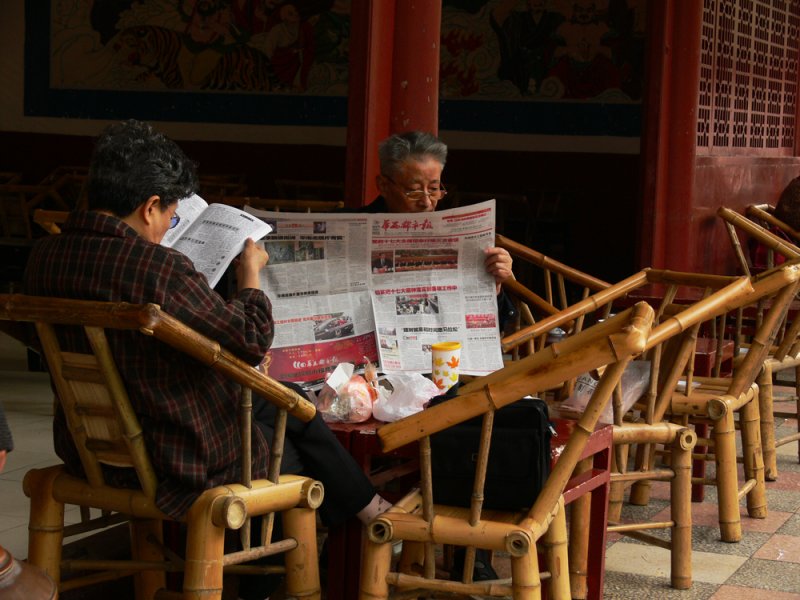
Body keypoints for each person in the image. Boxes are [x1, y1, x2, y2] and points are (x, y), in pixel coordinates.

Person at [23, 119, 388, 597]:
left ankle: (348, 518)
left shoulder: (43, 257)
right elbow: (251, 338)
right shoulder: (159, 267)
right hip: (175, 455)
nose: (167, 229)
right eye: (170, 218)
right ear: (150, 206)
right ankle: (322, 547)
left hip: (87, 446)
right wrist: (250, 275)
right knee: (291, 441)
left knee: (283, 410)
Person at [361, 131, 516, 330]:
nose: (426, 202)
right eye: (414, 190)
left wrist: (494, 285)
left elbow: (500, 323)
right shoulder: (352, 224)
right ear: (383, 186)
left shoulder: (459, 238)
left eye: (434, 189)